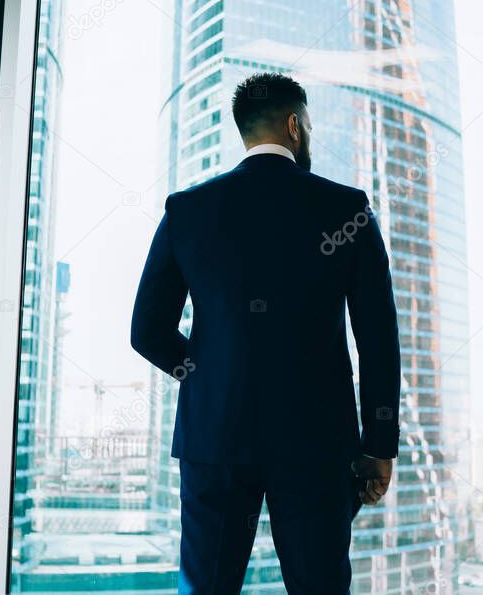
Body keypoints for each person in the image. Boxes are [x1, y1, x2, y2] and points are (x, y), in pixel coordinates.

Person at [130, 72, 401, 594]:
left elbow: (147, 331)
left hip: (215, 434)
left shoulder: (187, 210)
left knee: (206, 586)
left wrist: (208, 376)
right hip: (317, 439)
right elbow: (378, 340)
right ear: (296, 126)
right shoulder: (347, 208)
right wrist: (379, 443)